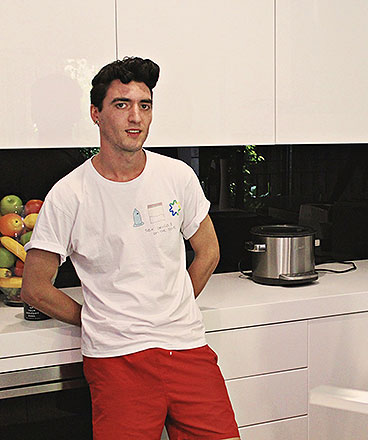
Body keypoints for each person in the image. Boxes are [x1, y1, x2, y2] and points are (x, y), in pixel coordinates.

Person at [22, 57, 240, 440]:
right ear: (96, 113)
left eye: (145, 105)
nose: (135, 117)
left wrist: (173, 305)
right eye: (121, 104)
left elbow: (208, 251)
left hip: (187, 349)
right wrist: (96, 319)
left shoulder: (177, 176)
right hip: (117, 359)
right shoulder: (69, 195)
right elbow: (35, 288)